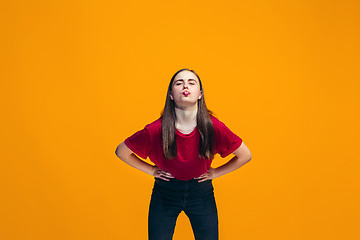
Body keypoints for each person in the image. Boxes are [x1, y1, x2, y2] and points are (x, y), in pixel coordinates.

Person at [115, 68, 252, 240]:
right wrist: (151, 170)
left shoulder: (213, 126)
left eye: (191, 82)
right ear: (171, 95)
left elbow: (245, 155)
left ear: (200, 94)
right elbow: (122, 151)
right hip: (165, 193)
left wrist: (216, 172)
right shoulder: (156, 129)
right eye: (179, 83)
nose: (185, 85)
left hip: (201, 194)